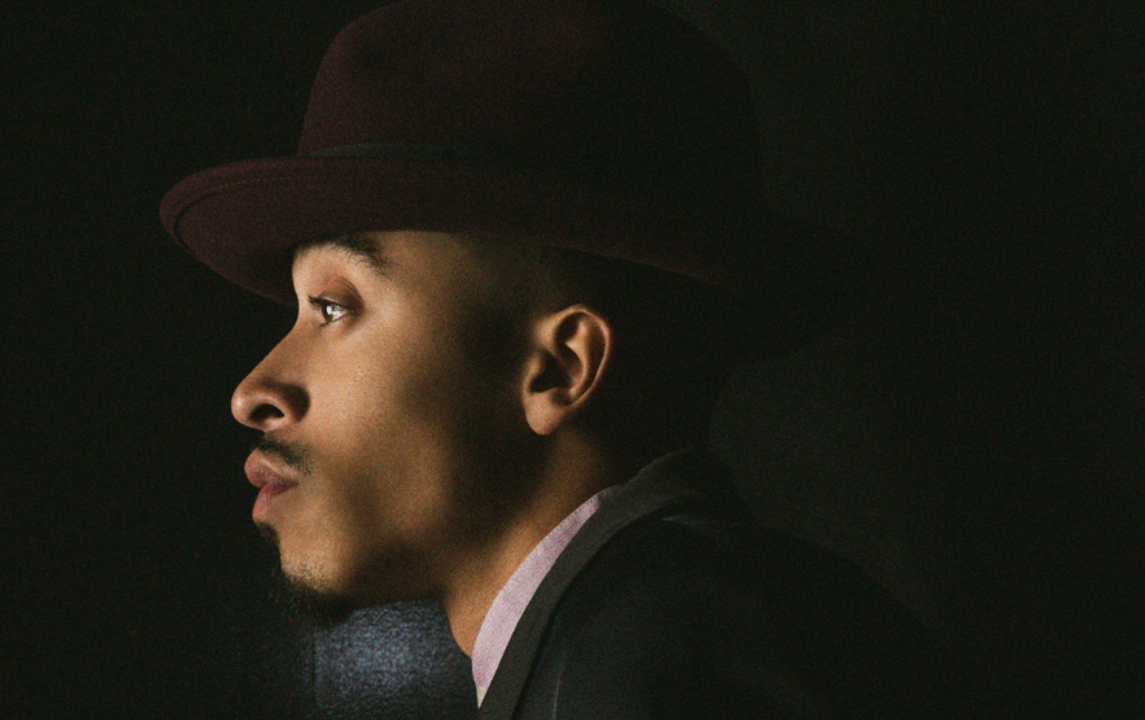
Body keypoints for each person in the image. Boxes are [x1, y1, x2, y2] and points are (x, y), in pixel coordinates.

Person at [160, 0, 955, 717]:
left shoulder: (665, 664)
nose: (253, 391)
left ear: (561, 368)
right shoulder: (656, 638)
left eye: (335, 307)